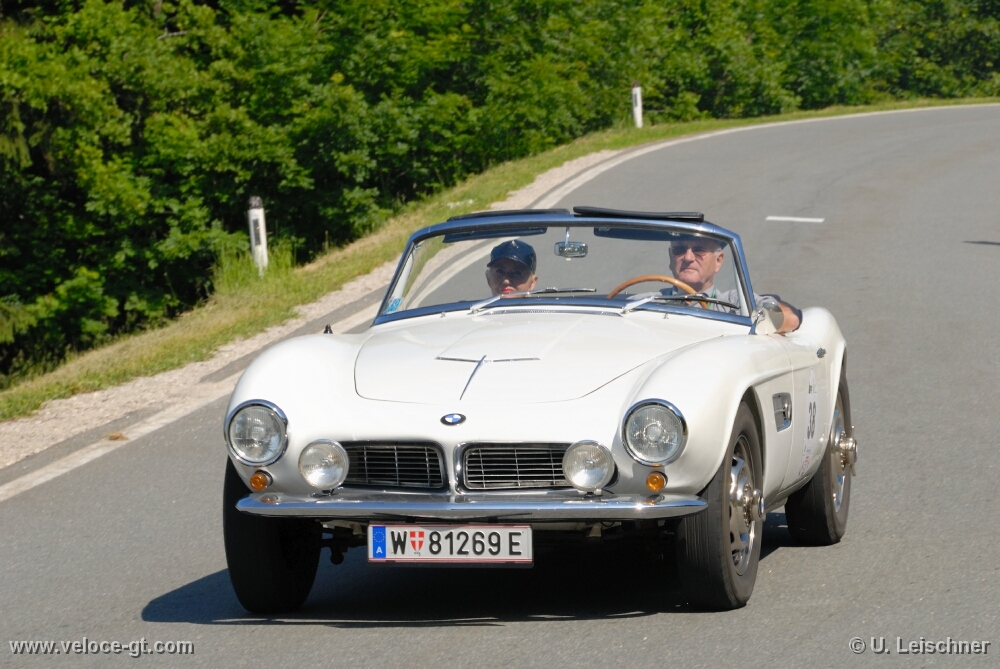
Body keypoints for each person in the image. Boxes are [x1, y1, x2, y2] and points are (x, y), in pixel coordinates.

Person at [664, 236, 801, 333]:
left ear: (718, 261)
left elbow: (791, 318)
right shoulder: (652, 301)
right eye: (679, 249)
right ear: (671, 257)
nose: (688, 257)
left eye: (699, 250)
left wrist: (762, 320)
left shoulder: (734, 304)